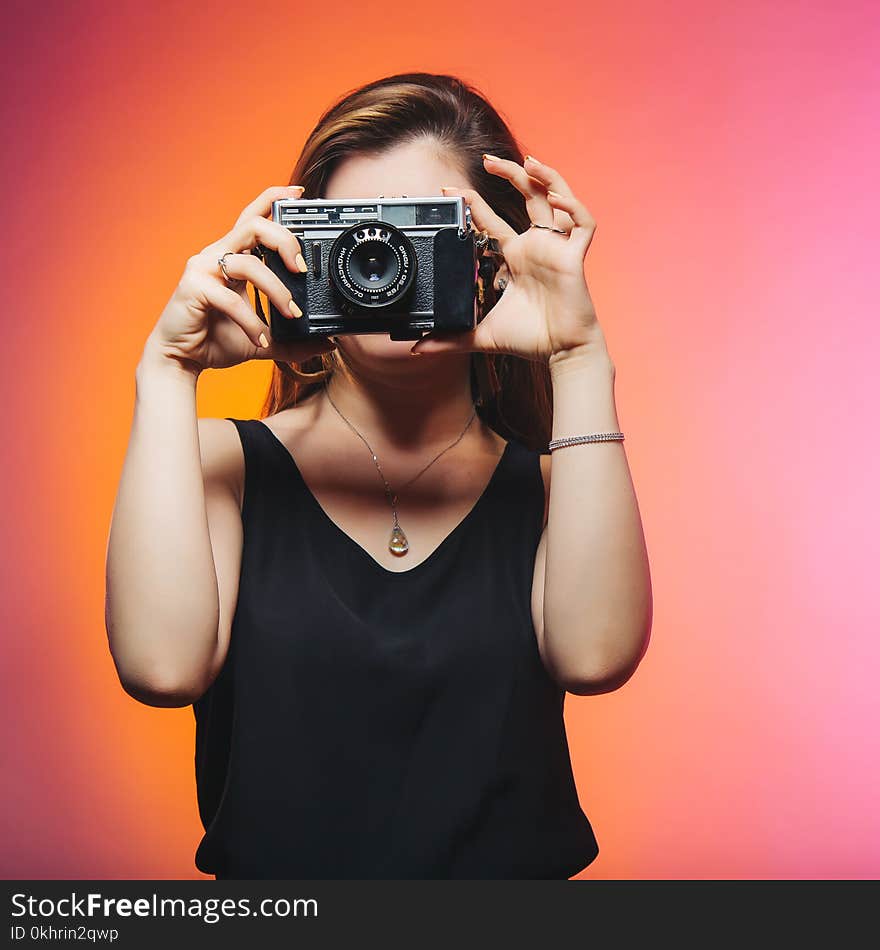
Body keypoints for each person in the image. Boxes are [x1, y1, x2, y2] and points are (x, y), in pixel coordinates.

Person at [104, 71, 653, 880]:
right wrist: (166, 370)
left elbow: (597, 656)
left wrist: (577, 354)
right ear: (297, 250)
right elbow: (160, 668)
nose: (381, 260)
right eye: (356, 235)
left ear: (495, 257)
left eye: (424, 231)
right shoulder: (226, 467)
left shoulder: (555, 488)